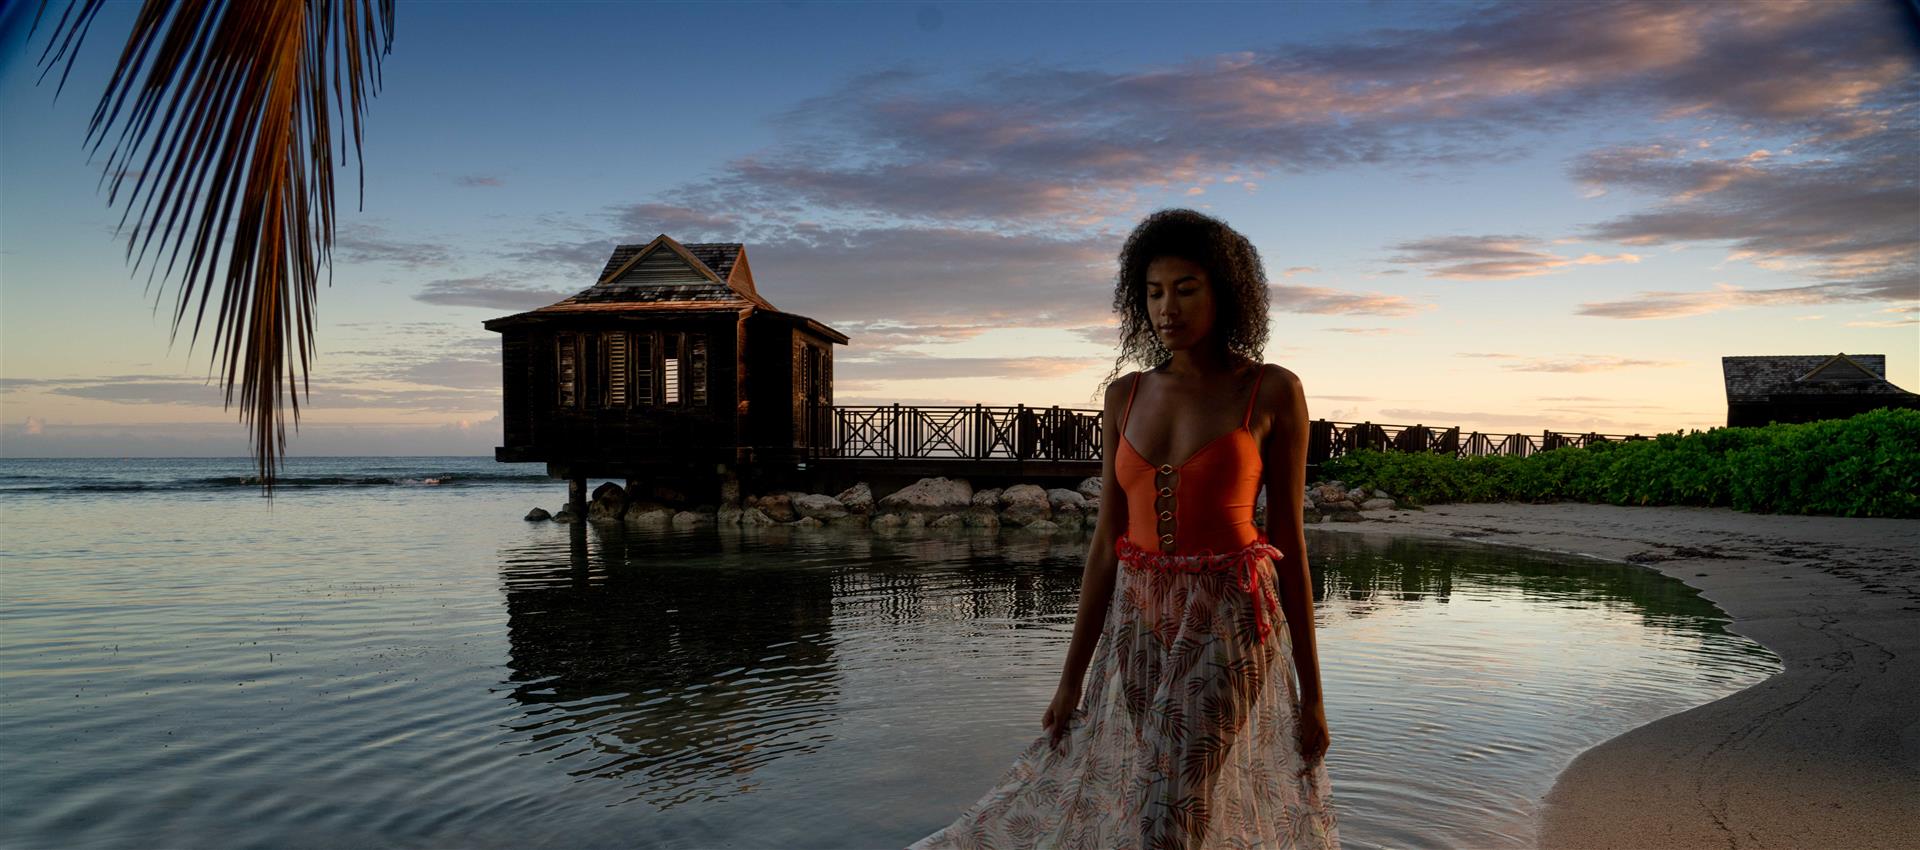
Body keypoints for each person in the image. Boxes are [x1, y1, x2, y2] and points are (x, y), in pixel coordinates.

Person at [910, 209, 1340, 849]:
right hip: (1136, 616)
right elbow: (1106, 542)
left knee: (1174, 799)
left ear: (1226, 291)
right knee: (1153, 791)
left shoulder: (1271, 390)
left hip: (1229, 613)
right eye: (1153, 292)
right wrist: (1069, 678)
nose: (1168, 308)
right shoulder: (1125, 394)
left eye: (1187, 288)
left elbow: (1290, 545)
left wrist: (1312, 692)